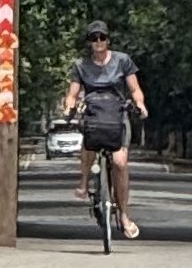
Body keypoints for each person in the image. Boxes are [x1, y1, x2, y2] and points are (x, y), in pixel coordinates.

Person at [63, 26, 148, 237]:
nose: (98, 41)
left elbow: (134, 88)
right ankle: (83, 182)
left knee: (119, 163)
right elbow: (72, 93)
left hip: (117, 114)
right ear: (89, 42)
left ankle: (124, 214)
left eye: (102, 37)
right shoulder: (81, 65)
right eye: (94, 38)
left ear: (108, 40)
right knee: (89, 143)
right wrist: (69, 107)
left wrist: (140, 104)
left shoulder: (122, 60)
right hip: (94, 113)